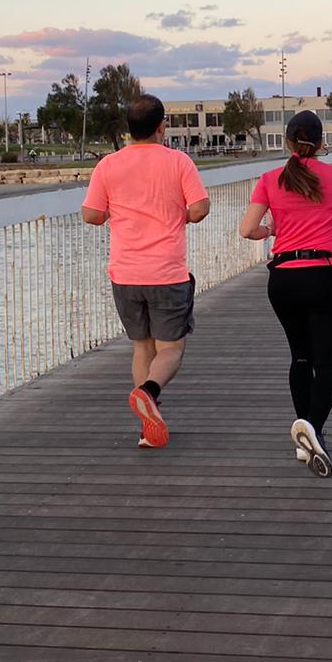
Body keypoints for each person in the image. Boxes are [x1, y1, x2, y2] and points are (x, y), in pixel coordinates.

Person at [238, 110, 332, 476]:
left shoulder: (269, 179)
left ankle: (304, 437)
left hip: (282, 279)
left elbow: (247, 229)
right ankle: (313, 429)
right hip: (325, 275)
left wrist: (272, 231)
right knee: (328, 364)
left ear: (288, 142)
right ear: (322, 143)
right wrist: (331, 221)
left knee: (300, 358)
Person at [81, 94, 210, 448]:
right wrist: (176, 216)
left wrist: (117, 214)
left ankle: (147, 428)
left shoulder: (108, 165)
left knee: (142, 346)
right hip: (166, 271)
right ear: (160, 126)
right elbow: (199, 208)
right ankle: (149, 393)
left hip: (125, 273)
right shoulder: (178, 162)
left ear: (128, 129)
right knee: (171, 348)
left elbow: (91, 215)